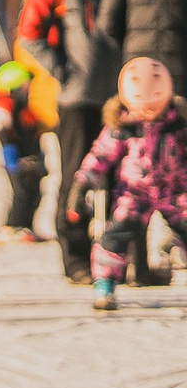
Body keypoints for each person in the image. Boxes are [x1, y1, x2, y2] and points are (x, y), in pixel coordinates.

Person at [17, 0, 118, 283]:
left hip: (125, 98)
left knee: (126, 180)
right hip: (77, 99)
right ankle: (75, 258)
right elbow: (29, 34)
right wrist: (64, 71)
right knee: (77, 177)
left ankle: (116, 255)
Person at [71, 57, 187, 313]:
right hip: (134, 193)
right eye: (141, 108)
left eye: (153, 106)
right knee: (114, 236)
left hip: (176, 192)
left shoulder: (179, 123)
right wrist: (83, 183)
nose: (146, 114)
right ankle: (105, 284)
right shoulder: (122, 126)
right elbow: (100, 155)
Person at [0, 63, 50, 244]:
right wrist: (1, 121)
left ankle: (26, 226)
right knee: (21, 193)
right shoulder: (5, 104)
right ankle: (11, 226)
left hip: (32, 160)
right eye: (24, 85)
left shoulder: (26, 109)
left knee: (35, 193)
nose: (28, 89)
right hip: (16, 159)